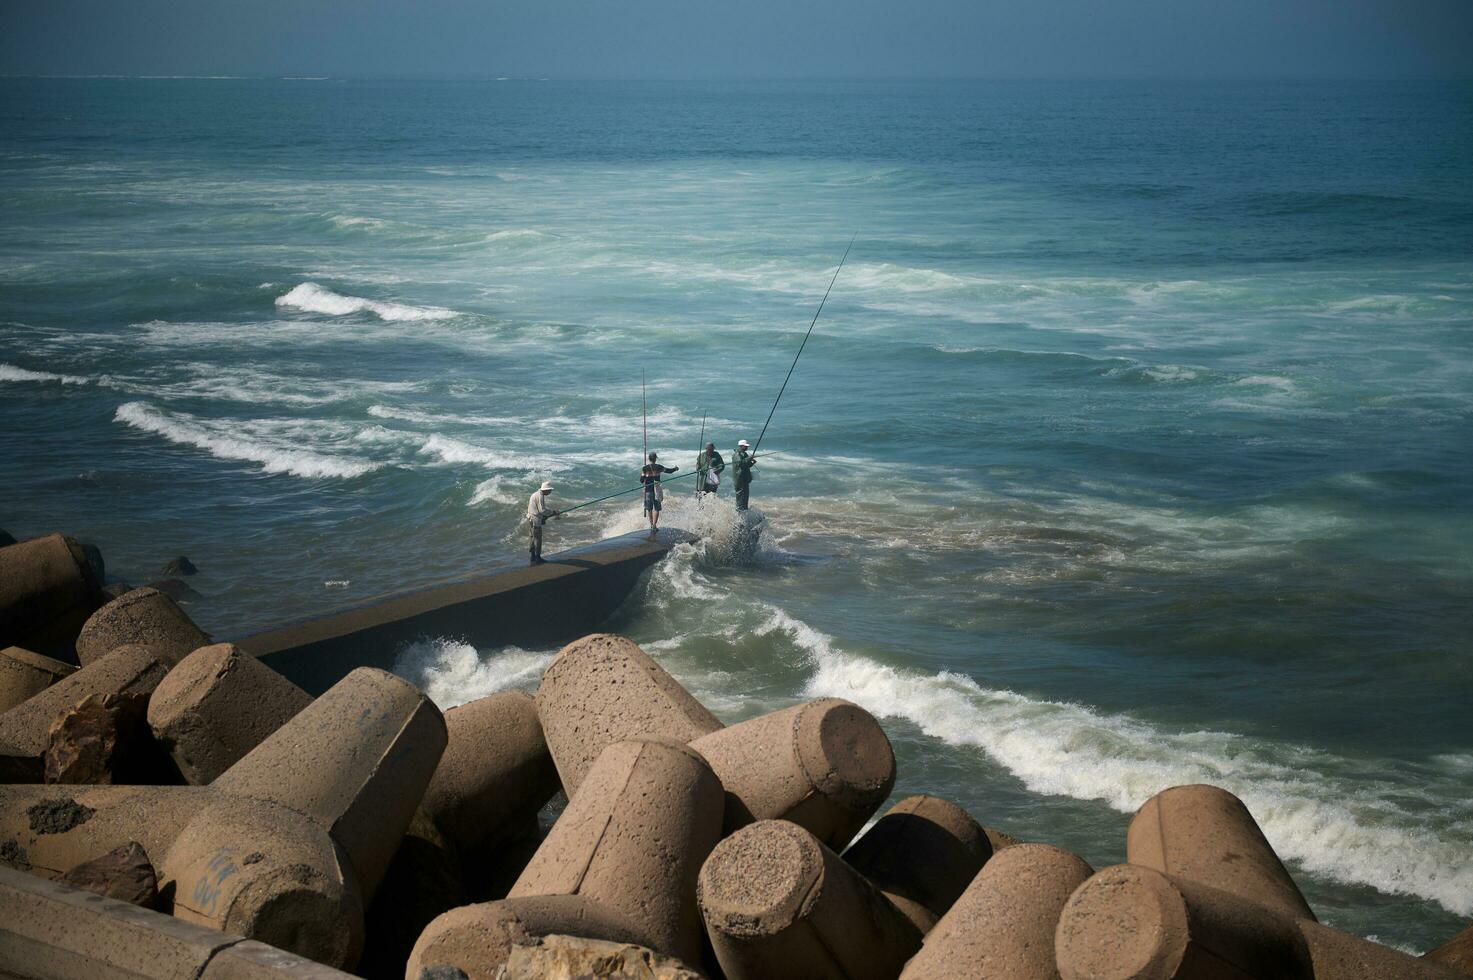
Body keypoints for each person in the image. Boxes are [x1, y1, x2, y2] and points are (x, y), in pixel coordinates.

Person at [640, 452, 678, 533]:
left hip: (648, 491)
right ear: (655, 459)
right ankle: (654, 525)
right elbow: (669, 471)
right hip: (657, 490)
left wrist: (644, 475)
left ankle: (651, 524)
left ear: (649, 459)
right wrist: (675, 468)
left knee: (649, 509)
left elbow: (641, 480)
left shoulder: (645, 468)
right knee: (657, 508)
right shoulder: (659, 467)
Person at [525, 481, 560, 563]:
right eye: (550, 490)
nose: (550, 492)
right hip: (535, 520)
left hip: (530, 518)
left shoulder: (535, 494)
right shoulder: (540, 496)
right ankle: (538, 558)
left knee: (532, 538)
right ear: (546, 490)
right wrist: (553, 512)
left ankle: (533, 556)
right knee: (538, 539)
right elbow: (542, 510)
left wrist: (544, 516)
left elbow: (537, 509)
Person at [732, 439, 756, 510]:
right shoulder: (737, 454)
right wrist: (749, 458)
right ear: (741, 446)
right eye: (745, 446)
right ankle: (739, 511)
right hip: (739, 479)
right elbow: (740, 463)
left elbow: (746, 465)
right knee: (740, 496)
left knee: (745, 496)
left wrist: (752, 462)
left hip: (745, 479)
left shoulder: (744, 454)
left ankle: (745, 509)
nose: (747, 447)